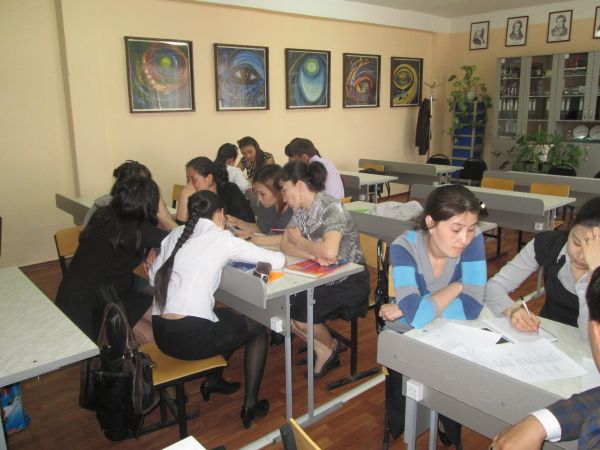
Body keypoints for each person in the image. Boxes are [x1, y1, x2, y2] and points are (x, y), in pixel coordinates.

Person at [150, 190, 285, 429]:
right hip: (189, 338)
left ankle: (214, 380)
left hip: (161, 333)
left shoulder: (175, 234)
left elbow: (153, 277)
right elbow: (277, 261)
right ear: (220, 214)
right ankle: (250, 406)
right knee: (257, 328)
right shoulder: (221, 238)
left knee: (231, 320)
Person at [378, 184, 487, 448]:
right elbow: (416, 318)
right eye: (456, 229)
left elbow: (472, 307)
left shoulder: (474, 240)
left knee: (461, 374)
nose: (465, 239)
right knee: (420, 376)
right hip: (408, 333)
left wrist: (412, 306)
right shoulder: (404, 247)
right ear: (430, 222)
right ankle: (414, 422)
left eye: (471, 229)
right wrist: (458, 286)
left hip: (450, 329)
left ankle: (447, 422)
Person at [492, 259, 600, 449]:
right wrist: (541, 422)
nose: (580, 253)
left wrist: (592, 271)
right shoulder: (549, 248)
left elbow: (586, 334)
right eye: (576, 244)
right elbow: (493, 286)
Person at [279, 160, 370, 378]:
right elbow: (284, 244)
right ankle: (328, 346)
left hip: (350, 280)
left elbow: (329, 251)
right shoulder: (300, 210)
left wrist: (300, 242)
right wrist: (313, 255)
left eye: (284, 190)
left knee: (300, 315)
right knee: (283, 307)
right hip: (322, 274)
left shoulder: (332, 208)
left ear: (299, 186)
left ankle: (327, 349)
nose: (283, 197)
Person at [56, 176, 169, 343]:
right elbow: (181, 238)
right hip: (91, 307)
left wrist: (151, 247)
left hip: (101, 292)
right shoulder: (137, 230)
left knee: (165, 321)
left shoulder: (106, 215)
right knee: (156, 336)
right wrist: (163, 215)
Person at [485, 197, 600, 340]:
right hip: (546, 335)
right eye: (576, 242)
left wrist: (591, 278)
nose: (581, 256)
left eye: (594, 249)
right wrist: (512, 310)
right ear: (570, 228)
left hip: (586, 349)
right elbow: (493, 286)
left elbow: (590, 338)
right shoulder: (549, 243)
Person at [83, 160, 176, 230]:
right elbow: (172, 234)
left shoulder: (110, 204)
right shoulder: (119, 210)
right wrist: (157, 197)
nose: (146, 188)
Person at [226, 164, 292, 246]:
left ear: (278, 191)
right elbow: (261, 230)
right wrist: (237, 222)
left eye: (262, 194)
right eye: (257, 193)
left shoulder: (290, 210)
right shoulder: (268, 206)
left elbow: (287, 239)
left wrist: (253, 238)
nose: (259, 199)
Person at [176, 156, 255, 224]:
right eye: (188, 179)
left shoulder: (229, 191)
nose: (189, 184)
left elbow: (250, 225)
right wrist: (184, 197)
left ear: (209, 178)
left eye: (193, 179)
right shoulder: (195, 198)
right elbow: (181, 230)